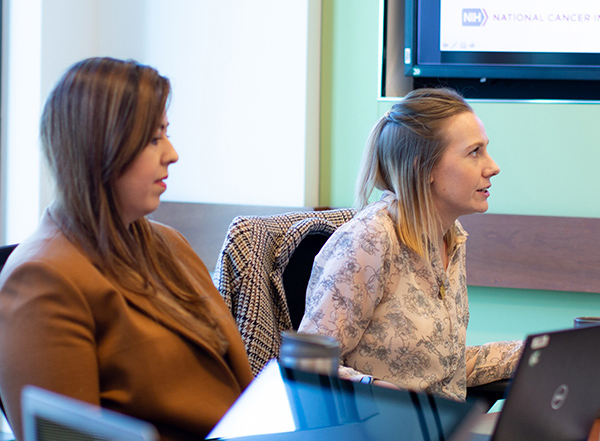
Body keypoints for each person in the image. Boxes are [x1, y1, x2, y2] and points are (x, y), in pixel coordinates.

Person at [0, 57, 254, 441]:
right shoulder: (41, 281)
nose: (172, 153)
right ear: (100, 148)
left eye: (165, 133)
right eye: (154, 139)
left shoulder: (170, 245)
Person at [298, 87, 522, 401]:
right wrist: (377, 393)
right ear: (423, 167)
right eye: (475, 152)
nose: (492, 166)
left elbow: (441, 368)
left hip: (439, 425)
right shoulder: (369, 240)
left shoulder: (451, 238)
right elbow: (307, 366)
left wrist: (534, 353)